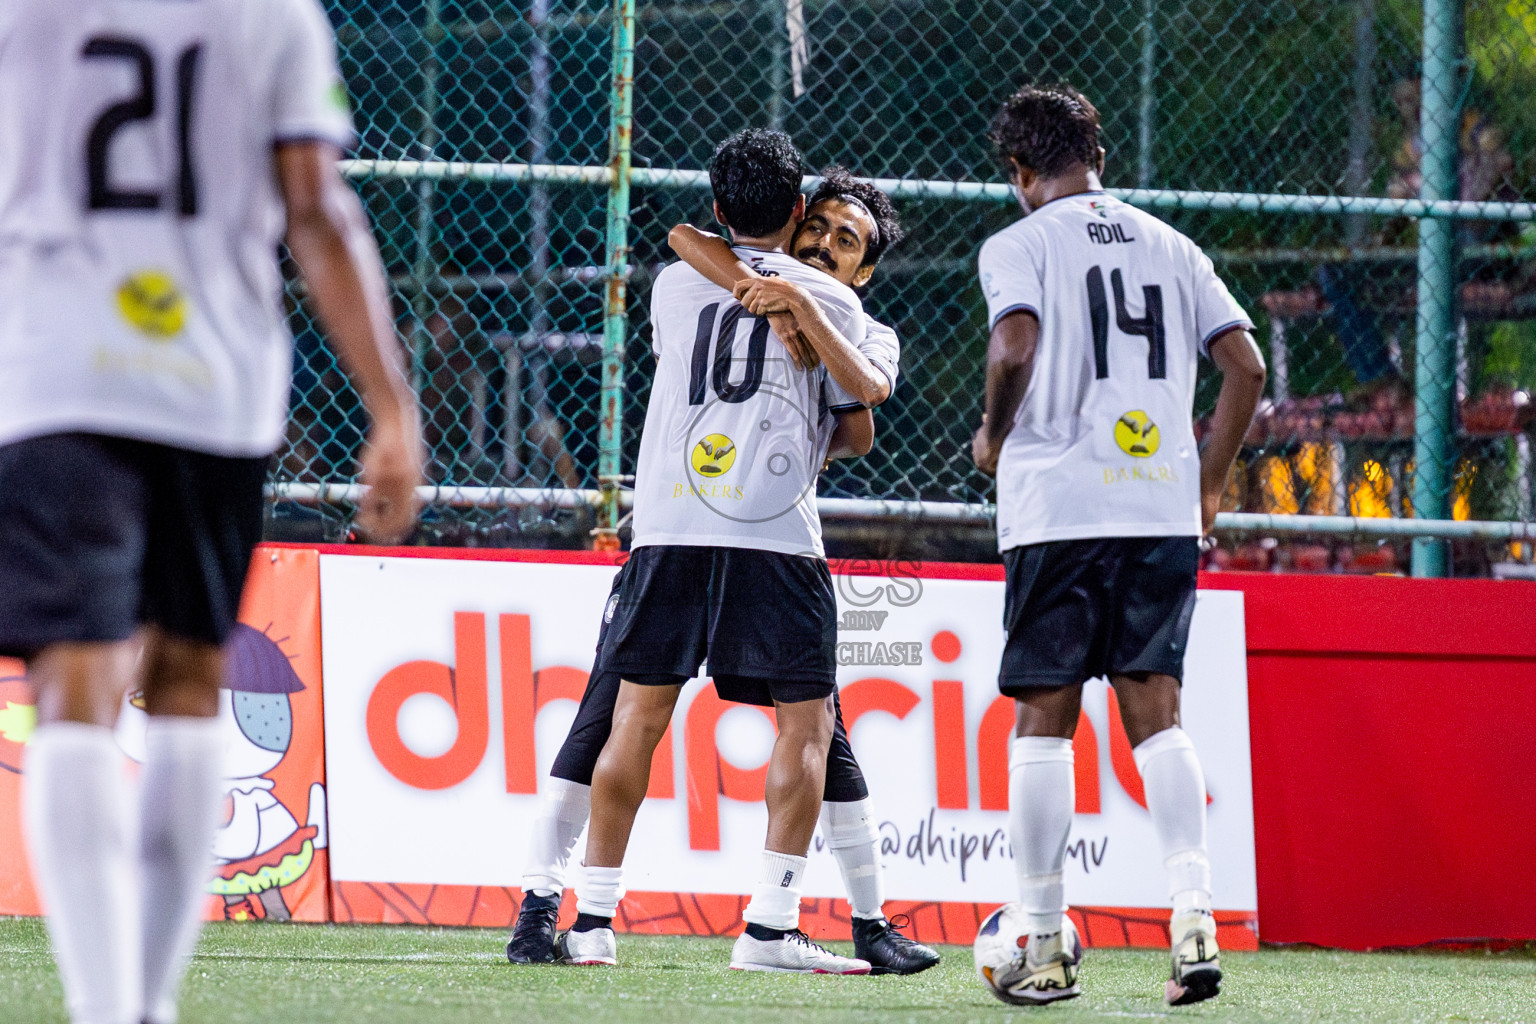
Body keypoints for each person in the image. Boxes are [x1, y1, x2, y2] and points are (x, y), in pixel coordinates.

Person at [0, 2, 423, 1022]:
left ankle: (113, 1009)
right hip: (214, 383)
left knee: (76, 683)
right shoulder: (273, 15)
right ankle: (142, 1005)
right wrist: (392, 406)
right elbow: (318, 211)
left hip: (55, 372)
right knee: (190, 683)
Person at [507, 170, 938, 975]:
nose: (824, 244)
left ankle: (591, 917)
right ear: (794, 218)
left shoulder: (688, 281)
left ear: (866, 268)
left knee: (681, 721)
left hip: (671, 530)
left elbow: (684, 240)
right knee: (770, 727)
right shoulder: (846, 312)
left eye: (848, 241)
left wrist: (791, 316)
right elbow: (864, 419)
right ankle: (754, 926)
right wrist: (788, 309)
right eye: (821, 227)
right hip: (760, 539)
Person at [970, 84, 1265, 1006]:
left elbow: (1015, 345)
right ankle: (1193, 917)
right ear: (1099, 156)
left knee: (1043, 723)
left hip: (1060, 510)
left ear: (1020, 172)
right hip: (1156, 510)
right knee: (1158, 715)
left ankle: (1047, 941)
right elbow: (1246, 366)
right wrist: (1207, 483)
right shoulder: (1174, 246)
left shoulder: (1018, 244)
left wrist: (990, 434)